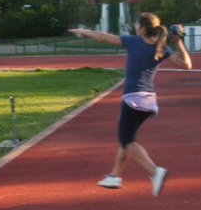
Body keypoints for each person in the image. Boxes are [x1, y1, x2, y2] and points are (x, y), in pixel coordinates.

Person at [68, 13, 192, 196]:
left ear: (142, 28)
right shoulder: (161, 47)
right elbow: (187, 65)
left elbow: (103, 37)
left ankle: (154, 171)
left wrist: (83, 31)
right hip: (148, 100)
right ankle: (115, 176)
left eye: (137, 23)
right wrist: (179, 41)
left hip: (133, 98)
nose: (135, 25)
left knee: (127, 140)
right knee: (127, 138)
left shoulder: (133, 41)